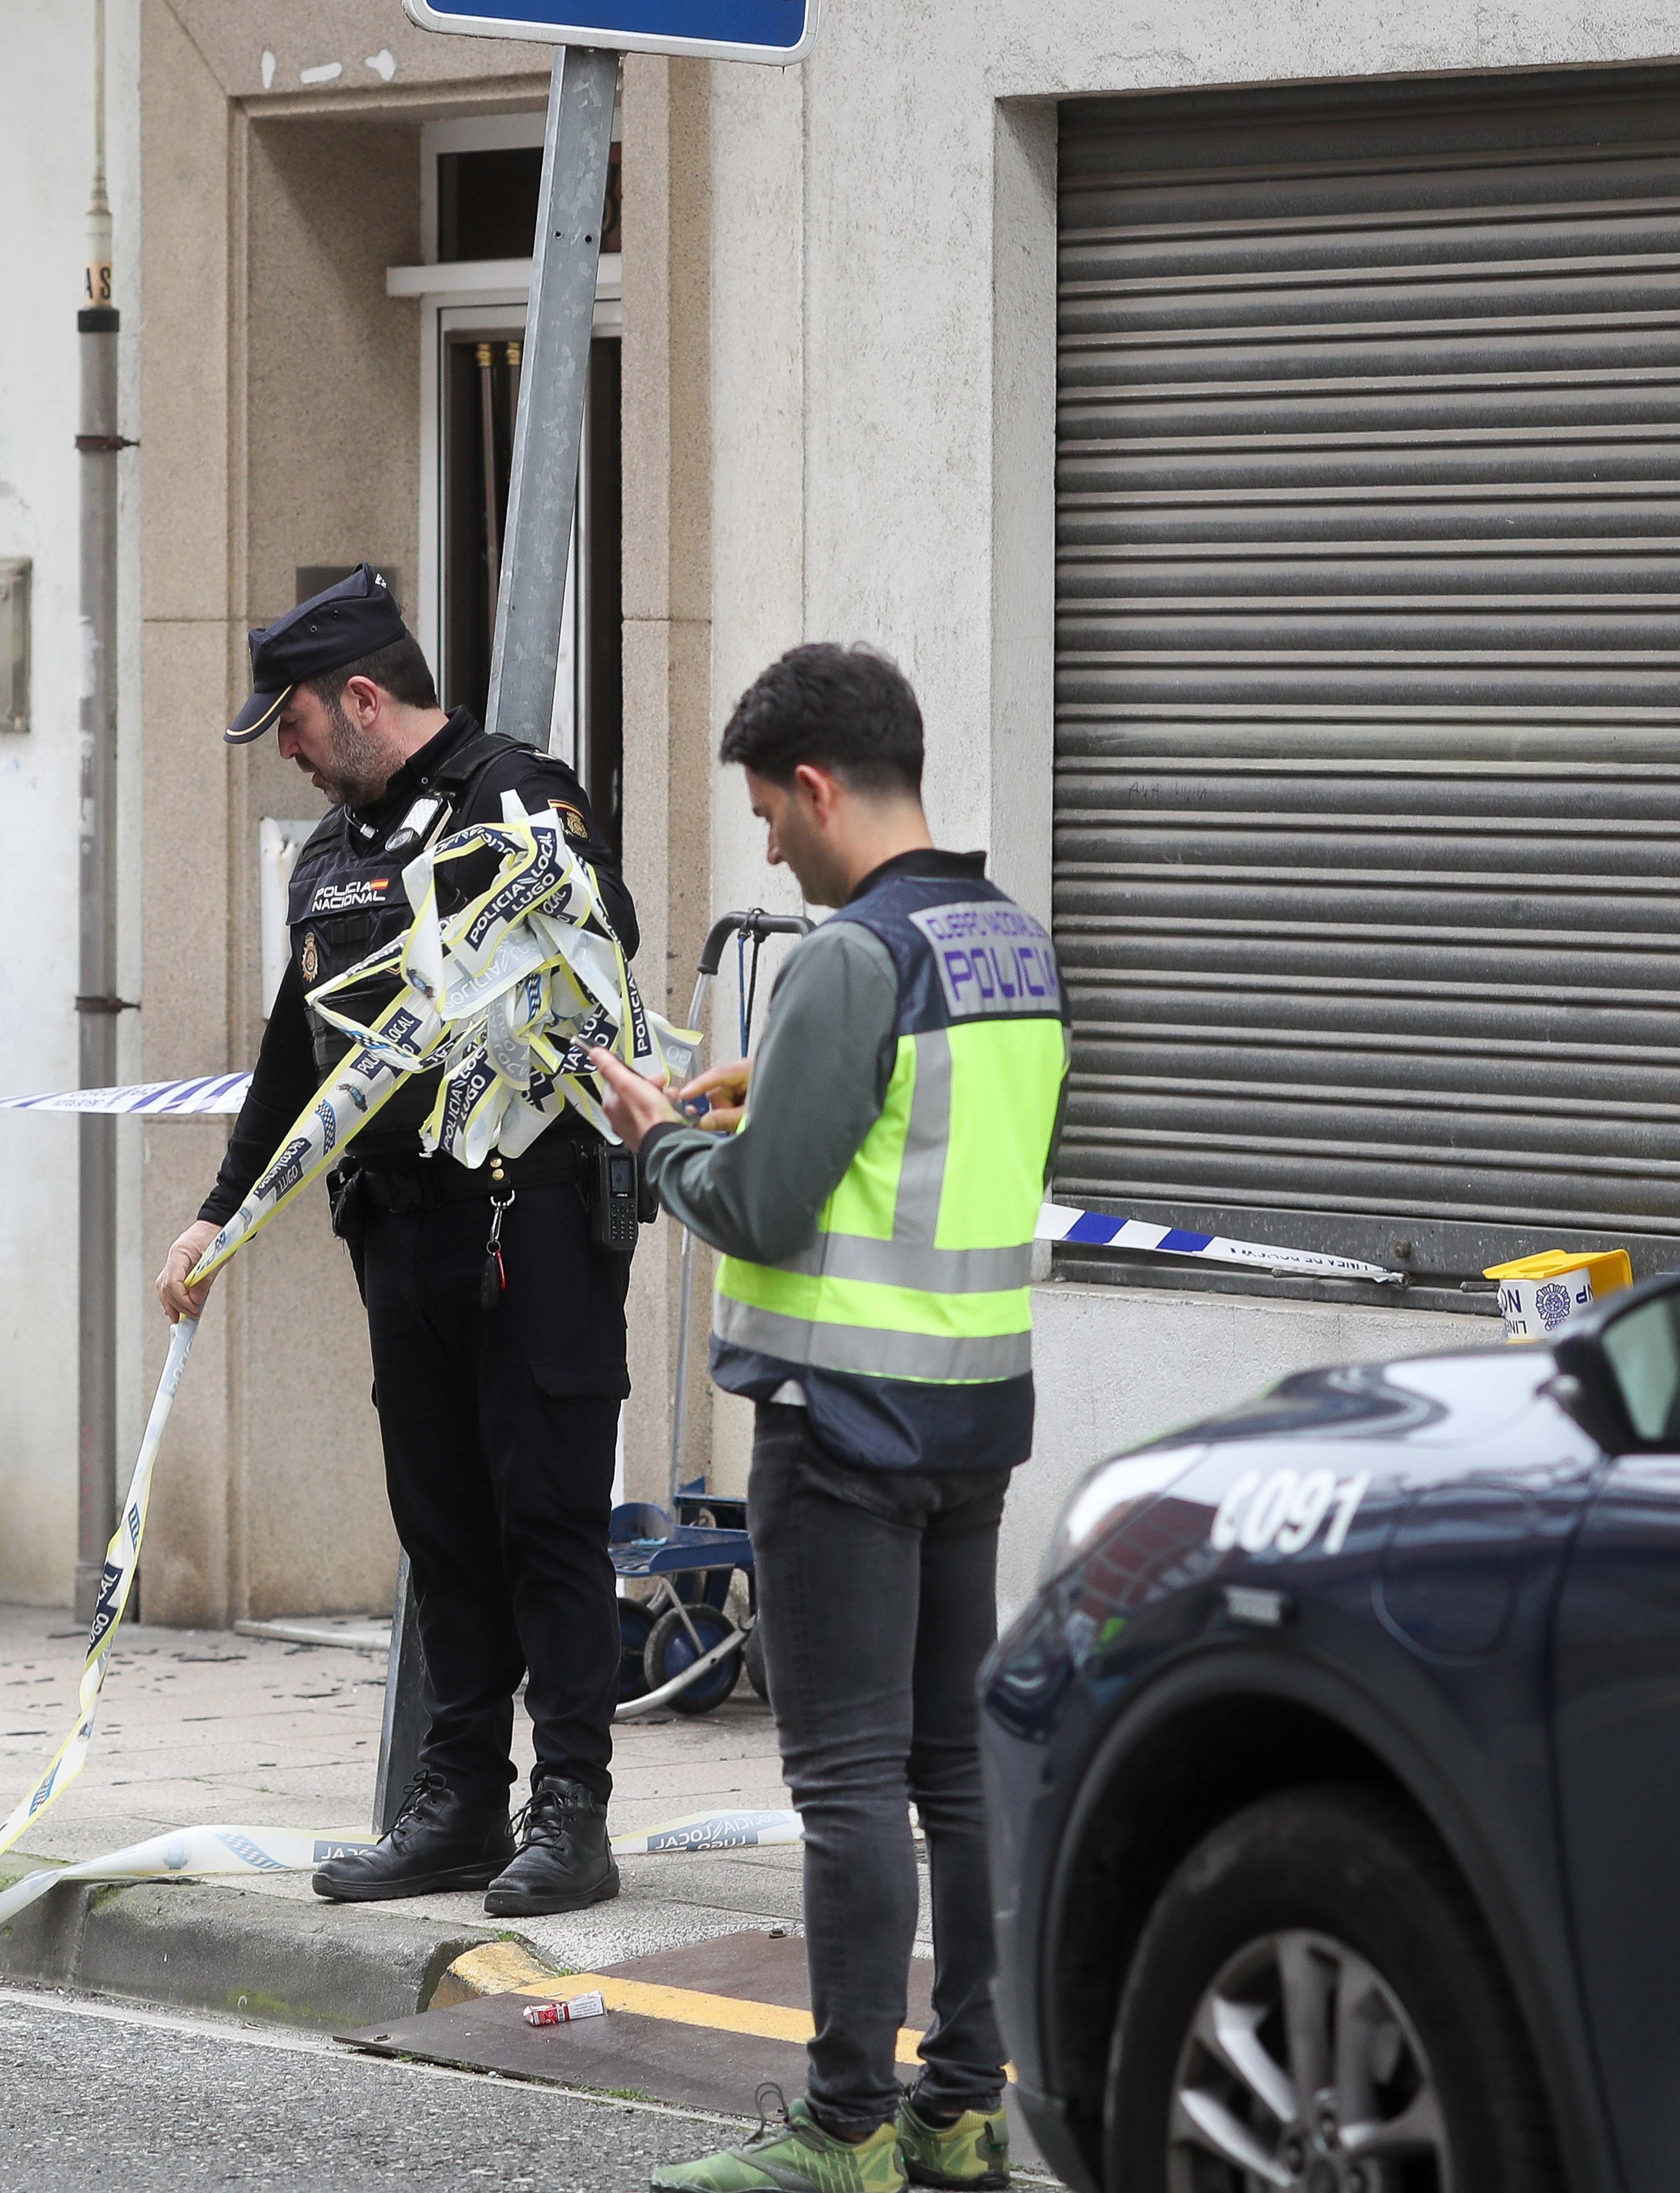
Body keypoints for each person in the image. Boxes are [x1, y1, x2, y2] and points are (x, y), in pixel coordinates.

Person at [592, 645, 1063, 2193]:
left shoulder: (849, 960)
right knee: (951, 1772)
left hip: (842, 1432)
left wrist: (662, 1140)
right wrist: (774, 1082)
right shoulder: (1010, 944)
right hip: (973, 1419)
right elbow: (923, 1153)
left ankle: (844, 2129)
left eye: (767, 816)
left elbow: (768, 1208)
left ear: (816, 785)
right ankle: (966, 2106)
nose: (768, 850)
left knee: (848, 1783)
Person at [154, 566, 640, 1918]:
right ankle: (458, 1807)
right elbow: (285, 1059)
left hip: (529, 1225)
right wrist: (219, 1213)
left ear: (363, 697)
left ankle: (575, 1813)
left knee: (546, 1520)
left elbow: (611, 948)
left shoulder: (518, 795)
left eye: (296, 724)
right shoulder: (328, 855)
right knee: (443, 1531)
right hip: (400, 1235)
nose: (289, 752)